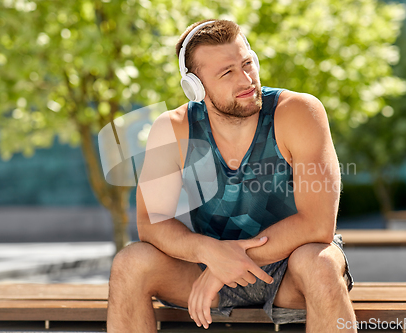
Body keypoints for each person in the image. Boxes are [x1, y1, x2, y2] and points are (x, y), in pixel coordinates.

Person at [107, 19, 357, 333]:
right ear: (195, 87)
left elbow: (317, 225)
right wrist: (208, 254)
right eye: (227, 72)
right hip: (205, 267)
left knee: (320, 262)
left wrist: (226, 266)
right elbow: (152, 222)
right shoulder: (172, 128)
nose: (246, 79)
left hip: (289, 273)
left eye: (248, 63)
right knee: (131, 262)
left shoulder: (298, 112)